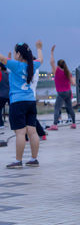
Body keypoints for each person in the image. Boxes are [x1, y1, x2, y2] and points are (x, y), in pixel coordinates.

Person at [0, 41, 43, 169]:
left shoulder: (16, 66)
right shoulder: (33, 65)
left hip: (17, 102)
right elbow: (40, 59)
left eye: (15, 52)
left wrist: (38, 48)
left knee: (20, 133)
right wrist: (39, 48)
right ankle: (34, 159)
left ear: (19, 54)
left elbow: (2, 58)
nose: (14, 55)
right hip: (30, 101)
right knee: (33, 132)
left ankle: (18, 161)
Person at [47, 45, 76, 130]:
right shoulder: (68, 72)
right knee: (70, 108)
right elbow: (73, 83)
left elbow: (51, 62)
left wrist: (52, 52)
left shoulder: (57, 71)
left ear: (58, 65)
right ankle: (74, 123)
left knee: (57, 108)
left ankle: (55, 125)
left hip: (61, 93)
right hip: (68, 92)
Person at [0, 63, 10, 129]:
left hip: (1, 95)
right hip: (10, 94)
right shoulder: (8, 74)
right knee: (13, 109)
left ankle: (1, 124)